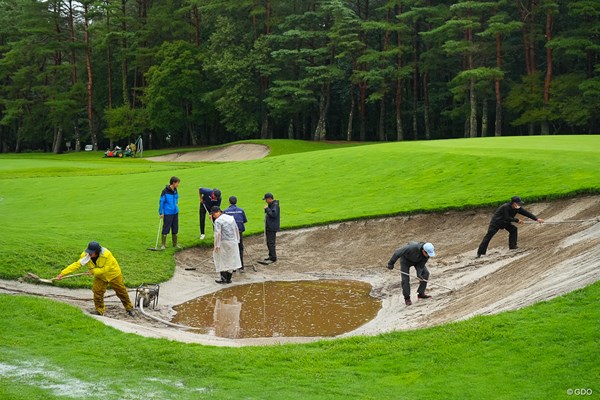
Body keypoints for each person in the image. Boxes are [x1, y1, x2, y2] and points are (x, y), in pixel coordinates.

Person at [55, 241, 135, 316]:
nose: (89, 254)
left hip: (113, 275)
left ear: (97, 251)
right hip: (100, 276)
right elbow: (77, 265)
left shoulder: (107, 254)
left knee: (121, 292)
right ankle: (99, 310)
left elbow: (105, 269)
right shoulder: (85, 255)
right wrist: (62, 273)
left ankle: (129, 308)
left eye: (91, 252)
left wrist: (93, 271)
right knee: (97, 292)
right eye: (88, 251)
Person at [476, 196, 545, 258]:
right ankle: (480, 252)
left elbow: (527, 213)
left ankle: (512, 246)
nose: (520, 205)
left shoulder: (517, 208)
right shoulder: (505, 207)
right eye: (518, 203)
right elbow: (507, 217)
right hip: (496, 222)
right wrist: (517, 220)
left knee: (513, 229)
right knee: (489, 236)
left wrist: (537, 219)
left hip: (505, 222)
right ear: (514, 203)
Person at [387, 241, 435, 306]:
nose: (429, 255)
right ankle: (407, 298)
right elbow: (397, 253)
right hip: (405, 261)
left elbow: (421, 265)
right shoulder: (411, 247)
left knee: (425, 274)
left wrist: (419, 274)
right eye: (428, 254)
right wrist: (391, 263)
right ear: (424, 250)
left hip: (418, 262)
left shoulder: (426, 255)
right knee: (405, 279)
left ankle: (421, 293)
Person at [211, 206, 242, 284]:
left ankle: (224, 278)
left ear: (217, 212)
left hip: (224, 242)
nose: (214, 216)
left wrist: (216, 245)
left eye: (214, 214)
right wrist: (237, 240)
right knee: (231, 259)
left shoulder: (218, 221)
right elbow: (236, 229)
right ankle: (228, 279)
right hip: (233, 242)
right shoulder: (230, 218)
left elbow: (218, 234)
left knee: (222, 259)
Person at [224, 196, 248, 272]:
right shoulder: (241, 210)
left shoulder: (226, 211)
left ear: (229, 202)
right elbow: (244, 220)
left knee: (231, 249)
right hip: (239, 231)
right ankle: (241, 266)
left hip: (230, 233)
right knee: (240, 248)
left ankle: (233, 267)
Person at [261, 192, 280, 265]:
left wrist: (267, 209)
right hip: (269, 226)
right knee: (269, 242)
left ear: (269, 199)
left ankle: (273, 257)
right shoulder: (271, 205)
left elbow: (273, 214)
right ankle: (270, 255)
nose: (265, 201)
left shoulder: (275, 205)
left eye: (266, 199)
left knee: (271, 242)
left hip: (272, 227)